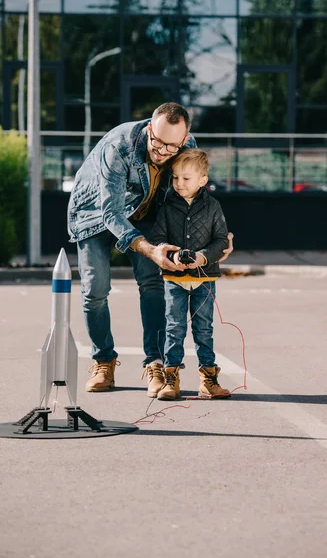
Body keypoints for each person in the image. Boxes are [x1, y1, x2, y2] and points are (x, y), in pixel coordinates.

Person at [67, 103, 233, 394]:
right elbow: (112, 214)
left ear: (184, 139)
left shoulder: (186, 147)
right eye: (156, 141)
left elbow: (193, 194)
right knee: (95, 289)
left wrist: (216, 239)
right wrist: (150, 249)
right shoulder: (119, 146)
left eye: (172, 145)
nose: (162, 151)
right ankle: (103, 360)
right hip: (96, 214)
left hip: (145, 215)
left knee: (153, 283)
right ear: (149, 129)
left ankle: (154, 363)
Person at [151, 148, 231, 400]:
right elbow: (158, 239)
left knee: (204, 329)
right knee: (174, 328)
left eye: (186, 179)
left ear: (202, 180)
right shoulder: (166, 207)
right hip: (174, 279)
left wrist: (203, 256)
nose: (179, 183)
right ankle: (170, 379)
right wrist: (173, 256)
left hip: (204, 279)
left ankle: (208, 379)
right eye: (175, 178)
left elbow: (221, 240)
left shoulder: (213, 207)